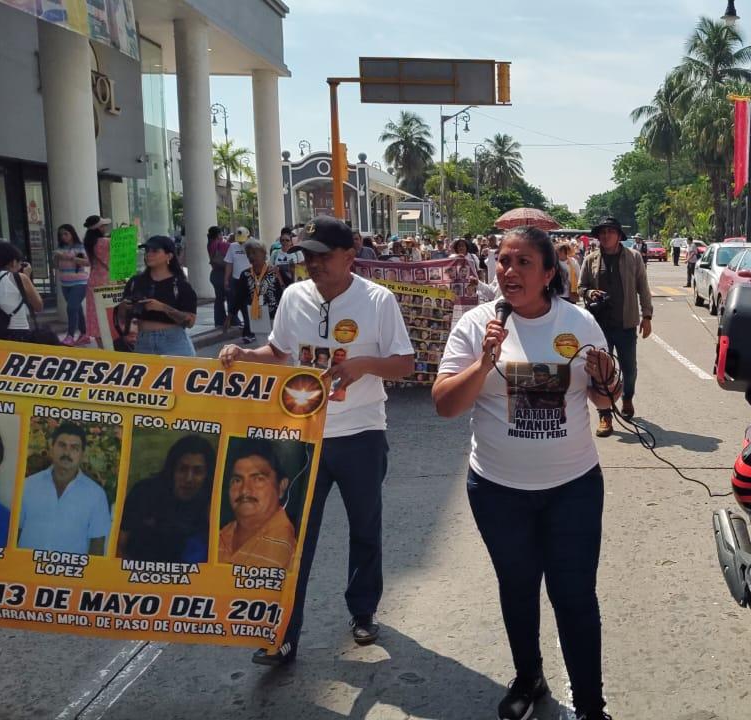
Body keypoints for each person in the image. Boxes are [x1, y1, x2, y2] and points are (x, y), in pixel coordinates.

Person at [434, 225, 617, 720]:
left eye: (523, 263)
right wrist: (484, 362)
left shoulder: (579, 323)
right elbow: (445, 405)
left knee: (574, 595)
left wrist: (606, 382)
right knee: (517, 588)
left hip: (573, 488)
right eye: (503, 262)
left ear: (549, 274)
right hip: (497, 491)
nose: (509, 271)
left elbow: (604, 399)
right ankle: (529, 676)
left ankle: (591, 706)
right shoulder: (476, 326)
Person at [218, 215, 413, 665]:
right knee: (291, 536)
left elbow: (404, 362)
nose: (314, 264)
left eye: (323, 256)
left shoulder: (377, 300)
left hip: (362, 433)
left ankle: (363, 612)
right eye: (308, 256)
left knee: (365, 528)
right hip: (303, 435)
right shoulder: (293, 296)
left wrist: (363, 365)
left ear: (351, 255)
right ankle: (284, 631)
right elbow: (279, 352)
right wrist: (246, 355)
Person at [579, 216, 653, 435]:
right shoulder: (591, 259)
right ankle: (605, 415)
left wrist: (647, 316)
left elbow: (643, 287)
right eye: (602, 232)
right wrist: (589, 292)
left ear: (619, 235)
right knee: (600, 372)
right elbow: (581, 286)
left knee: (629, 369)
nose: (606, 235)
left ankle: (627, 398)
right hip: (599, 326)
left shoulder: (634, 257)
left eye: (610, 231)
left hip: (626, 324)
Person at [118, 435, 216, 563]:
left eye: (197, 471)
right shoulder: (144, 492)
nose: (189, 478)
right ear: (172, 469)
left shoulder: (211, 504)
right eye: (183, 469)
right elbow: (118, 545)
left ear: (207, 475)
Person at [18, 422, 111, 555]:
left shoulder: (96, 495)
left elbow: (97, 544)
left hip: (69, 573)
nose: (67, 452)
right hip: (24, 570)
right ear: (52, 448)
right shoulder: (27, 485)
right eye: (62, 445)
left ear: (82, 454)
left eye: (74, 447)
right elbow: (15, 533)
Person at [217, 440, 296, 569]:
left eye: (258, 479)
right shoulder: (219, 536)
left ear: (281, 487)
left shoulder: (284, 543)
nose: (245, 490)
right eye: (237, 480)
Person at [117, 235, 197, 357]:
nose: (149, 254)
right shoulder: (135, 282)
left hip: (173, 342)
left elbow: (190, 322)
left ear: (168, 256)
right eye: (147, 251)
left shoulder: (180, 285)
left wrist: (163, 308)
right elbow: (121, 316)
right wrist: (124, 307)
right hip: (143, 342)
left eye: (155, 251)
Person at [235, 239, 285, 345]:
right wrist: (231, 315)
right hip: (257, 314)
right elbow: (238, 297)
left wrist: (279, 277)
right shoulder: (245, 274)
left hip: (275, 315)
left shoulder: (275, 271)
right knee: (263, 345)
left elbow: (285, 292)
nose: (251, 256)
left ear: (263, 253)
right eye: (248, 254)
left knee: (278, 346)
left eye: (254, 252)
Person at [0, 241, 44, 342]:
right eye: (19, 263)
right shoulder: (19, 278)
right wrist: (27, 277)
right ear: (13, 262)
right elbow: (38, 306)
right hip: (18, 334)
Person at [53, 224, 91, 345]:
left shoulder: (80, 247)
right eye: (61, 234)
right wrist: (57, 257)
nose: (63, 237)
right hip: (65, 283)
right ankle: (84, 334)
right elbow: (56, 266)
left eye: (66, 233)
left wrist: (71, 257)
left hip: (80, 282)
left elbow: (87, 262)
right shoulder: (60, 248)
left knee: (71, 308)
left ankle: (70, 335)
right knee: (76, 308)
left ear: (72, 233)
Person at [83, 215, 112, 344]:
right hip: (108, 280)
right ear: (98, 228)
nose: (105, 227)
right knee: (109, 314)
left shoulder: (88, 243)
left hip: (94, 280)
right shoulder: (106, 242)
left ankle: (101, 345)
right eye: (103, 225)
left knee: (96, 314)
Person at [224, 228, 252, 331]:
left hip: (251, 279)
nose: (241, 242)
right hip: (237, 280)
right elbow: (229, 263)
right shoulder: (232, 246)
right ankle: (247, 327)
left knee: (248, 305)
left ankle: (249, 329)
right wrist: (226, 279)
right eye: (239, 240)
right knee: (238, 304)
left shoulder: (254, 245)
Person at [207, 226, 231, 328]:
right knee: (230, 297)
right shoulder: (220, 244)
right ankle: (232, 320)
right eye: (221, 234)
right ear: (218, 235)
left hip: (214, 274)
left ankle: (219, 320)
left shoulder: (210, 244)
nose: (222, 236)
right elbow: (232, 246)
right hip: (222, 274)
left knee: (219, 299)